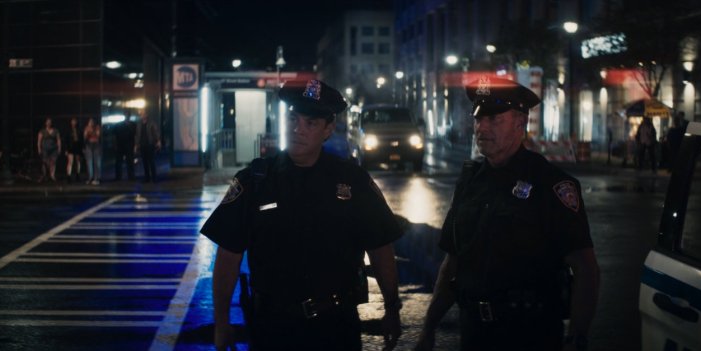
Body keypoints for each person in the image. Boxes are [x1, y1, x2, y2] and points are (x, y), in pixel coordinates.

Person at [201, 79, 403, 351]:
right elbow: (228, 255)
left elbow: (380, 247)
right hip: (272, 328)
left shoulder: (351, 181)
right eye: (293, 119)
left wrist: (392, 308)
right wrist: (222, 321)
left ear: (328, 129)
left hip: (336, 328)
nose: (298, 129)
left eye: (311, 123)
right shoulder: (256, 181)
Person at [415, 76, 600, 351]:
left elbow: (585, 269)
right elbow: (453, 261)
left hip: (530, 333)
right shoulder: (470, 181)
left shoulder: (550, 184)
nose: (482, 127)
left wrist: (577, 337)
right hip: (474, 332)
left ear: (520, 124)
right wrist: (428, 327)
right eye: (478, 119)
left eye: (494, 120)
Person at [135, 109, 161, 183]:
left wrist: (158, 141)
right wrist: (136, 144)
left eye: (143, 114)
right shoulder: (139, 124)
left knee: (151, 161)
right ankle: (147, 178)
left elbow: (156, 132)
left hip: (150, 144)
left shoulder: (151, 123)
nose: (142, 116)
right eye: (141, 114)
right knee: (145, 162)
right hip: (142, 145)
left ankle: (154, 177)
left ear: (146, 115)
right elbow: (137, 134)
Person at [37, 117, 61, 182]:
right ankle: (44, 175)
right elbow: (39, 141)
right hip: (45, 149)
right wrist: (39, 149)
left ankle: (52, 175)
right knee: (45, 162)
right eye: (47, 122)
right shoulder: (42, 131)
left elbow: (58, 140)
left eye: (50, 122)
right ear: (45, 123)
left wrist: (59, 148)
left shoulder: (55, 131)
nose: (49, 123)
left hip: (54, 149)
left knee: (53, 162)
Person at [115, 112, 136, 180]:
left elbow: (116, 135)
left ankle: (119, 176)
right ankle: (130, 176)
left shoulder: (119, 125)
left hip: (122, 144)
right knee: (128, 161)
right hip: (127, 144)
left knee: (120, 161)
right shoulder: (133, 124)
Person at [64, 117, 84, 183]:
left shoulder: (79, 130)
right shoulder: (68, 130)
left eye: (75, 121)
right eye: (72, 121)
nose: (74, 123)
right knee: (70, 162)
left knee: (78, 161)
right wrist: (66, 149)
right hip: (70, 147)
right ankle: (69, 176)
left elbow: (81, 139)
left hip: (78, 147)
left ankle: (77, 175)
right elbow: (66, 140)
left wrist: (82, 148)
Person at [83, 117, 102, 185]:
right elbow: (85, 137)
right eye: (90, 122)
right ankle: (90, 177)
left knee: (96, 162)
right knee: (89, 162)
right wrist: (87, 133)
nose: (91, 123)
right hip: (89, 145)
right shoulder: (87, 128)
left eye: (92, 122)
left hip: (96, 145)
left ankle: (96, 178)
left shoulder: (97, 127)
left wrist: (92, 131)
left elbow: (98, 135)